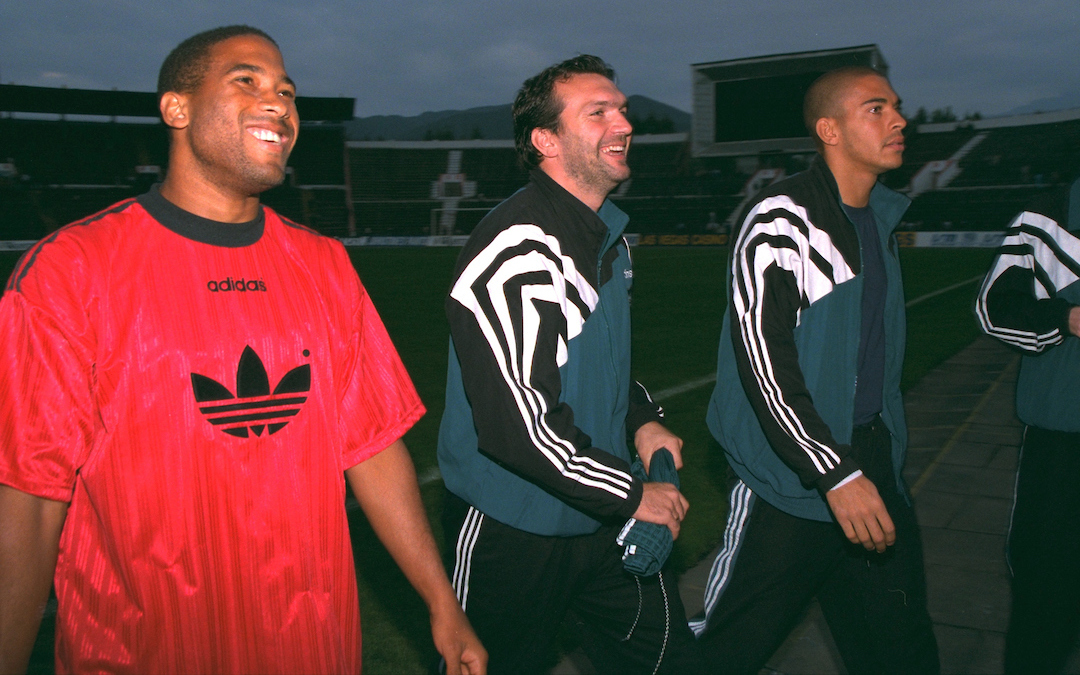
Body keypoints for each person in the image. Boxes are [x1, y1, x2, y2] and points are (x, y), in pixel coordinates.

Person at [0, 26, 485, 675]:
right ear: (176, 108)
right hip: (141, 651)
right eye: (247, 81)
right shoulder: (70, 271)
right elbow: (31, 498)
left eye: (287, 90)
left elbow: (371, 445)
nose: (280, 102)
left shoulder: (325, 264)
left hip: (310, 647)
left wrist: (441, 603)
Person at [437, 55, 701, 675]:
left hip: (600, 521)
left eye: (623, 110)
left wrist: (642, 417)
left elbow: (601, 359)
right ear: (545, 140)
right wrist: (635, 492)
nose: (623, 123)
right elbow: (518, 428)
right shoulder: (520, 248)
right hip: (513, 527)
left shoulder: (608, 234)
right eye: (598, 113)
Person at [694, 66, 939, 674]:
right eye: (876, 108)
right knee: (726, 652)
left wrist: (867, 463)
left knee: (902, 651)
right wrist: (832, 472)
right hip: (792, 477)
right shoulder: (782, 219)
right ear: (829, 129)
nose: (899, 120)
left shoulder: (879, 219)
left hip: (871, 462)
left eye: (897, 106)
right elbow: (762, 359)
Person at [976, 174, 1080, 674]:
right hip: (1062, 439)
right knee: (1045, 585)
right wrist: (1065, 318)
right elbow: (994, 309)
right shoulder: (1046, 218)